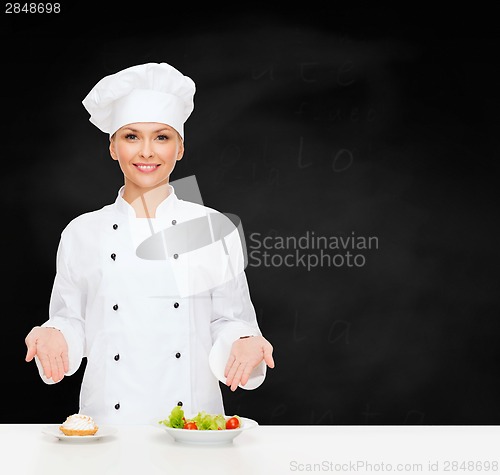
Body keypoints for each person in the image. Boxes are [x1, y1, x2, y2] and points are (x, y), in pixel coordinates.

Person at [24, 62, 275, 425]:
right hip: (107, 424)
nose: (146, 152)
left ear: (180, 148)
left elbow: (227, 319)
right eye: (131, 136)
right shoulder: (82, 232)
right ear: (112, 147)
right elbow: (72, 318)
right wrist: (54, 334)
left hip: (192, 424)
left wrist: (244, 342)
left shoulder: (211, 227)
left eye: (161, 137)